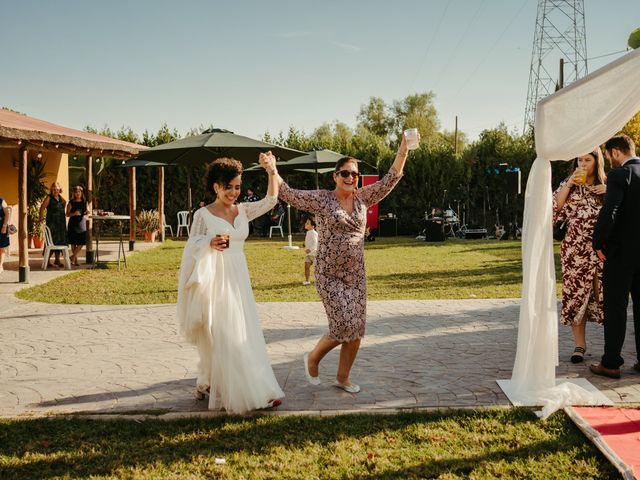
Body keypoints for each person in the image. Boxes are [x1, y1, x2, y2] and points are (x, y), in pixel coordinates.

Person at [277, 132, 415, 393]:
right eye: (345, 173)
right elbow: (288, 194)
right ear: (335, 176)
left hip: (356, 276)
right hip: (329, 274)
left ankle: (342, 377)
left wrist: (403, 149)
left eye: (354, 174)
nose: (351, 178)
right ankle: (313, 358)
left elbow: (391, 178)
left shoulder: (363, 198)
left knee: (356, 330)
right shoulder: (322, 199)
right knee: (343, 324)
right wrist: (272, 169)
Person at [176, 152, 284, 413]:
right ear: (216, 187)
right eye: (229, 187)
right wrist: (208, 243)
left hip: (238, 277)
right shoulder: (203, 215)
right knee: (222, 333)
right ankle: (219, 384)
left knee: (242, 332)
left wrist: (271, 170)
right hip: (215, 278)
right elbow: (191, 247)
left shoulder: (243, 210)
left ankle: (252, 386)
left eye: (237, 187)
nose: (234, 192)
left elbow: (271, 200)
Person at [590, 134, 640, 379]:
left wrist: (598, 242)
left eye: (610, 155)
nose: (610, 160)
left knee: (616, 308)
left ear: (616, 152)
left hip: (621, 254)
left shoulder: (620, 175)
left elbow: (610, 211)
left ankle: (611, 363)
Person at [552, 148, 607, 363]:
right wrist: (569, 184)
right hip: (574, 249)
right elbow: (556, 205)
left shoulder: (606, 183)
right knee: (576, 294)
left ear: (597, 161)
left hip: (601, 249)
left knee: (603, 294)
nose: (583, 163)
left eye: (588, 159)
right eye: (580, 159)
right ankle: (579, 345)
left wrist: (608, 192)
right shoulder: (571, 182)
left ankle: (611, 347)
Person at [39, 182, 67, 268]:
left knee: (60, 241)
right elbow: (42, 208)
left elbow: (64, 205)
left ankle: (57, 260)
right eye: (54, 189)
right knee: (51, 241)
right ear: (51, 190)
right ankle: (47, 260)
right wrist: (41, 218)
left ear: (59, 190)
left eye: (57, 189)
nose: (56, 191)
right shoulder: (49, 198)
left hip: (61, 224)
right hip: (52, 224)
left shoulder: (61, 199)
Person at [66, 186, 88, 266]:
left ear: (81, 193)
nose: (78, 193)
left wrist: (87, 212)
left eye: (79, 192)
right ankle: (75, 261)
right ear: (74, 193)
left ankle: (72, 257)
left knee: (81, 242)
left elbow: (87, 212)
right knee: (73, 243)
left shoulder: (85, 202)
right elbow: (67, 214)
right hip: (73, 224)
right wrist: (74, 213)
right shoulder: (71, 202)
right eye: (76, 192)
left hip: (82, 223)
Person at [302, 216, 318, 286]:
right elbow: (309, 242)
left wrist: (310, 249)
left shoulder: (314, 233)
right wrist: (304, 245)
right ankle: (307, 280)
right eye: (306, 222)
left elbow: (315, 242)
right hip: (308, 255)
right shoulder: (308, 232)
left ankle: (319, 280)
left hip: (314, 254)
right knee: (306, 266)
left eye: (308, 223)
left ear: (312, 226)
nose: (306, 224)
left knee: (317, 269)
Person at [0, 197, 10, 273]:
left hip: (1, 226)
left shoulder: (1, 201)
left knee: (1, 247)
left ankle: (0, 266)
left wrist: (4, 226)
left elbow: (7, 214)